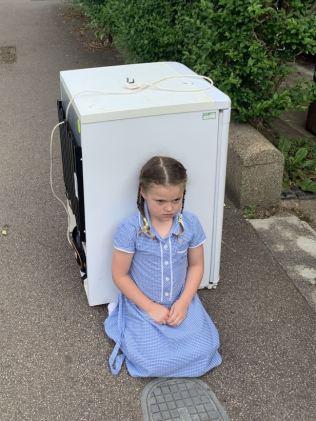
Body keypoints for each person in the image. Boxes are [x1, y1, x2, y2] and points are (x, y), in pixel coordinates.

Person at [104, 156, 222, 377]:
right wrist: (150, 308)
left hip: (180, 301)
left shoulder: (190, 224)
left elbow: (196, 265)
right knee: (154, 364)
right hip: (143, 306)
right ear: (143, 192)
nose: (169, 208)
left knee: (207, 348)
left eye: (176, 200)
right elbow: (120, 275)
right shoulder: (131, 229)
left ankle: (181, 330)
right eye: (160, 201)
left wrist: (185, 302)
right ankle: (120, 314)